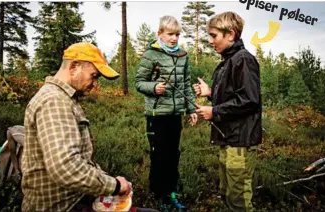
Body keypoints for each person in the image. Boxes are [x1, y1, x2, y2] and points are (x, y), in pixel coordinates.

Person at [21, 42, 132, 212]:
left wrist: (104, 178)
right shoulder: (54, 101)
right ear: (74, 67)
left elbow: (75, 160)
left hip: (76, 198)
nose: (95, 85)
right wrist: (115, 186)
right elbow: (65, 167)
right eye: (93, 76)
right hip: (62, 206)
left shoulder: (62, 98)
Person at [193, 12, 262, 212]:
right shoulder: (226, 62)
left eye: (214, 35)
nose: (210, 41)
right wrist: (210, 94)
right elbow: (233, 97)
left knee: (238, 200)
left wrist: (214, 111)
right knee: (227, 193)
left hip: (240, 140)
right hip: (228, 138)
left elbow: (249, 100)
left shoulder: (243, 60)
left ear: (230, 34)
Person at [135, 15, 197, 211]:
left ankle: (171, 193)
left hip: (175, 115)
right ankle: (158, 195)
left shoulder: (183, 55)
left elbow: (186, 84)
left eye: (177, 34)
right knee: (159, 155)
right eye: (170, 34)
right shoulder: (151, 55)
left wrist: (191, 108)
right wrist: (154, 87)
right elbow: (139, 82)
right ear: (159, 34)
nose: (174, 38)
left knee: (173, 155)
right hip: (156, 115)